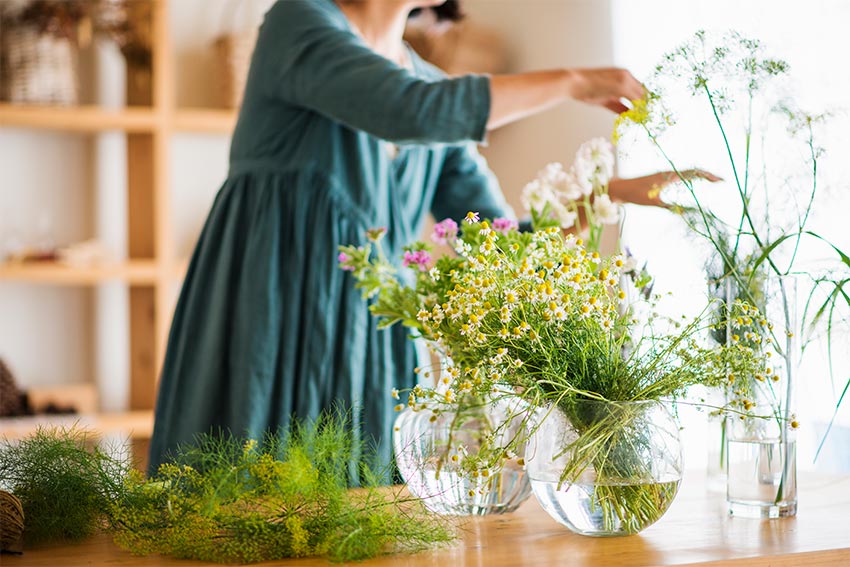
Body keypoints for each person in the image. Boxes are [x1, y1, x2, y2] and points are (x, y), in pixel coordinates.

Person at [147, 0, 708, 476]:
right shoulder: (298, 21)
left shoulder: (434, 91)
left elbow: (497, 239)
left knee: (362, 521)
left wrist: (605, 194)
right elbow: (407, 110)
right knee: (242, 506)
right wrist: (573, 81)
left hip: (371, 334)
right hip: (270, 309)